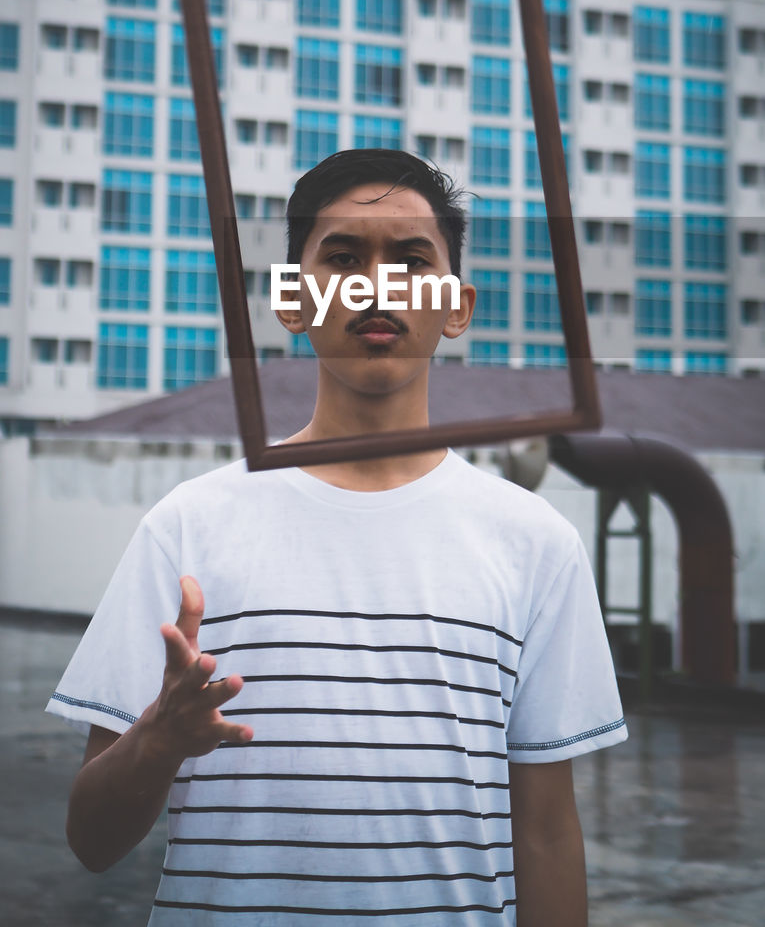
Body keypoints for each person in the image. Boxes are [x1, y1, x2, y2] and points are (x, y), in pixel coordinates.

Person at [47, 148, 627, 925]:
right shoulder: (188, 526)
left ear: (457, 306)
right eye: (345, 257)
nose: (377, 285)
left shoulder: (535, 543)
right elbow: (90, 841)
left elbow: (548, 833)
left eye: (412, 260)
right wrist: (157, 741)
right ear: (293, 298)